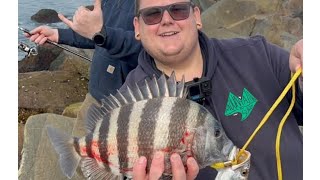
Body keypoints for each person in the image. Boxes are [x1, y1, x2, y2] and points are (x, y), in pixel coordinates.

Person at [123, 0, 303, 179]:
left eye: (178, 10)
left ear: (197, 16)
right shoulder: (127, 106)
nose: (166, 20)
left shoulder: (259, 55)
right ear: (137, 28)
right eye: (152, 14)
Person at [25, 0, 142, 136]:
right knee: (76, 153)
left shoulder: (153, 5)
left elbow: (150, 47)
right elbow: (95, 35)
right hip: (94, 97)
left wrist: (103, 34)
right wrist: (58, 34)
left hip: (128, 105)